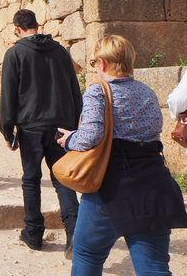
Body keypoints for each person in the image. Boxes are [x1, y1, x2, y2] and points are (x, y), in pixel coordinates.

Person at [57, 35, 187, 275]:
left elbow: (92, 136)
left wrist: (69, 139)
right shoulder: (147, 92)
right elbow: (152, 130)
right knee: (154, 267)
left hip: (112, 186)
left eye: (94, 63)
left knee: (87, 254)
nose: (94, 68)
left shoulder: (98, 92)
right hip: (154, 184)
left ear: (103, 63)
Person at [0, 9, 82, 257]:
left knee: (31, 179)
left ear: (17, 29)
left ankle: (34, 233)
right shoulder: (59, 52)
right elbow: (74, 89)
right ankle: (74, 230)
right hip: (61, 125)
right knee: (62, 179)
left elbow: (8, 94)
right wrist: (76, 126)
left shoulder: (14, 53)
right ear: (38, 25)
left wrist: (7, 130)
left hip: (30, 126)